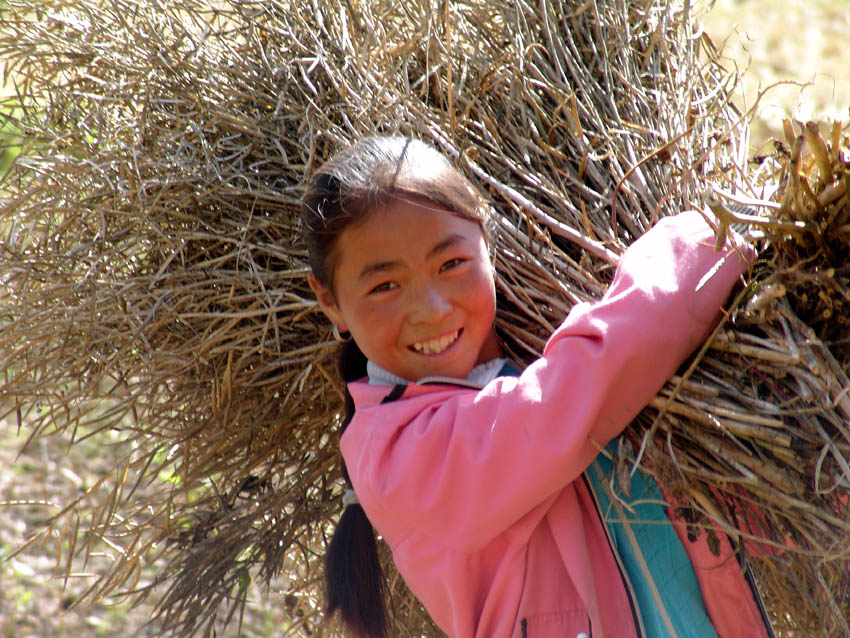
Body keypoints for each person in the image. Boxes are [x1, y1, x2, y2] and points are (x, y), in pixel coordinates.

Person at [300, 136, 773, 638]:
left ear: (487, 239)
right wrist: (711, 232)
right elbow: (572, 394)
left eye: (451, 264)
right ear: (329, 301)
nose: (433, 308)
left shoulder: (520, 351)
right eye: (384, 287)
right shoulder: (395, 455)